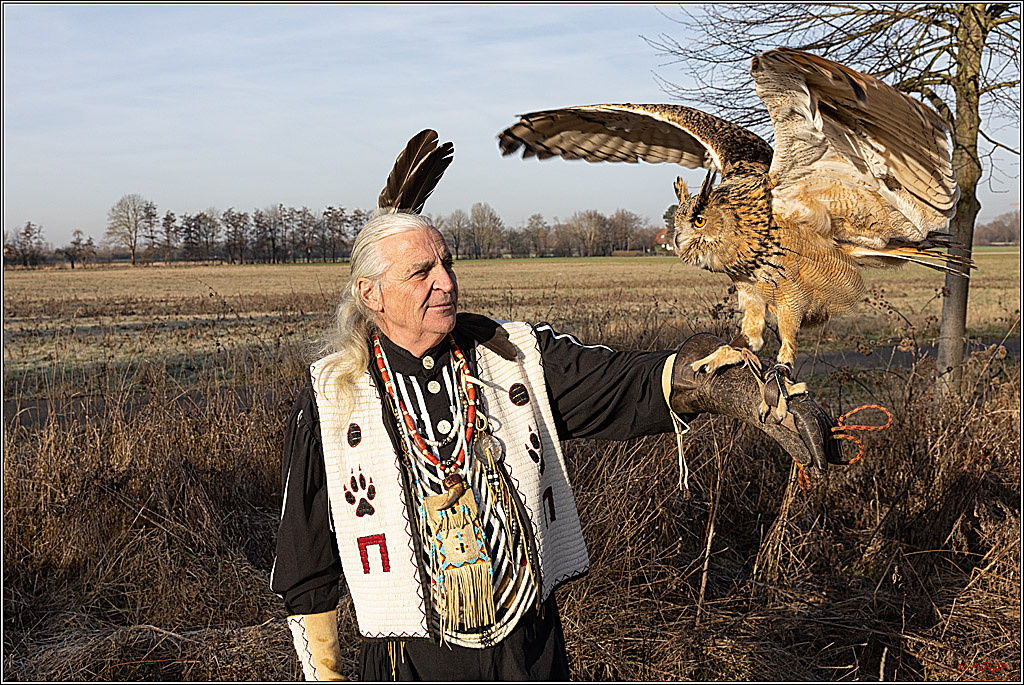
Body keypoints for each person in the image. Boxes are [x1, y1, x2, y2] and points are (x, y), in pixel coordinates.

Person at [271, 132, 840, 681]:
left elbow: (621, 383)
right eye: (421, 272)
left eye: (448, 264)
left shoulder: (510, 354)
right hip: (409, 663)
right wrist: (327, 674)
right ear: (371, 294)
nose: (446, 282)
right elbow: (306, 563)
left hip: (529, 652)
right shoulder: (333, 395)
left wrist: (701, 380)